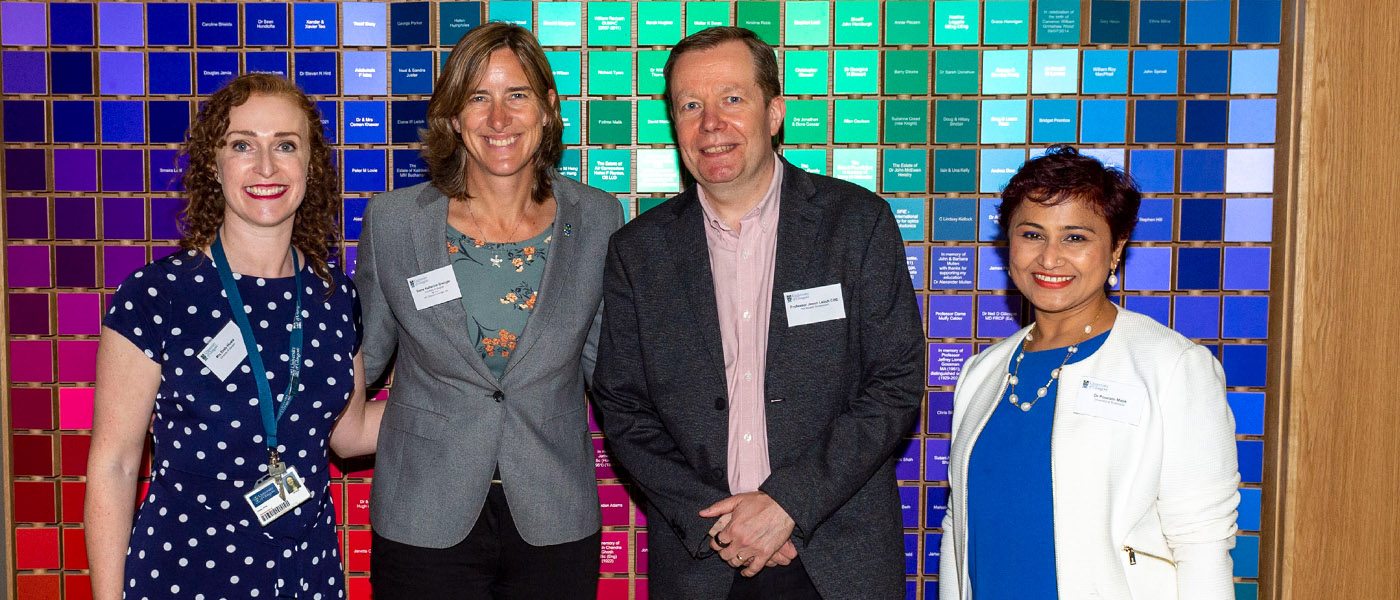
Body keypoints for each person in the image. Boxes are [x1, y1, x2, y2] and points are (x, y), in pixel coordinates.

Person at [591, 26, 924, 600]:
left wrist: (789, 504)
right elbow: (623, 406)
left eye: (732, 99)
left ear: (774, 113)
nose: (710, 123)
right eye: (690, 105)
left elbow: (894, 384)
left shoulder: (857, 224)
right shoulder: (638, 251)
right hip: (704, 560)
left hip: (837, 556)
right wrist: (721, 526)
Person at [85, 73, 381, 599]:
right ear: (214, 165)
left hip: (305, 575)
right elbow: (115, 464)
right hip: (183, 574)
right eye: (243, 145)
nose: (265, 167)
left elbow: (350, 433)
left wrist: (459, 379)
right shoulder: (157, 296)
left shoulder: (336, 297)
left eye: (285, 146)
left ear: (310, 167)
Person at [355, 21, 622, 599]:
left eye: (517, 95)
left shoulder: (599, 217)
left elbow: (613, 374)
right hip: (423, 514)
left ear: (548, 109)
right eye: (478, 98)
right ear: (454, 116)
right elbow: (362, 359)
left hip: (553, 512)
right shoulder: (395, 223)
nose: (499, 119)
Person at [939, 145, 1241, 599]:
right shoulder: (982, 372)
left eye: (1075, 237)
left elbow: (1202, 543)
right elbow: (957, 529)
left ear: (1116, 249)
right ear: (1009, 244)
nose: (1050, 258)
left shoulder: (1172, 367)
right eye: (1032, 234)